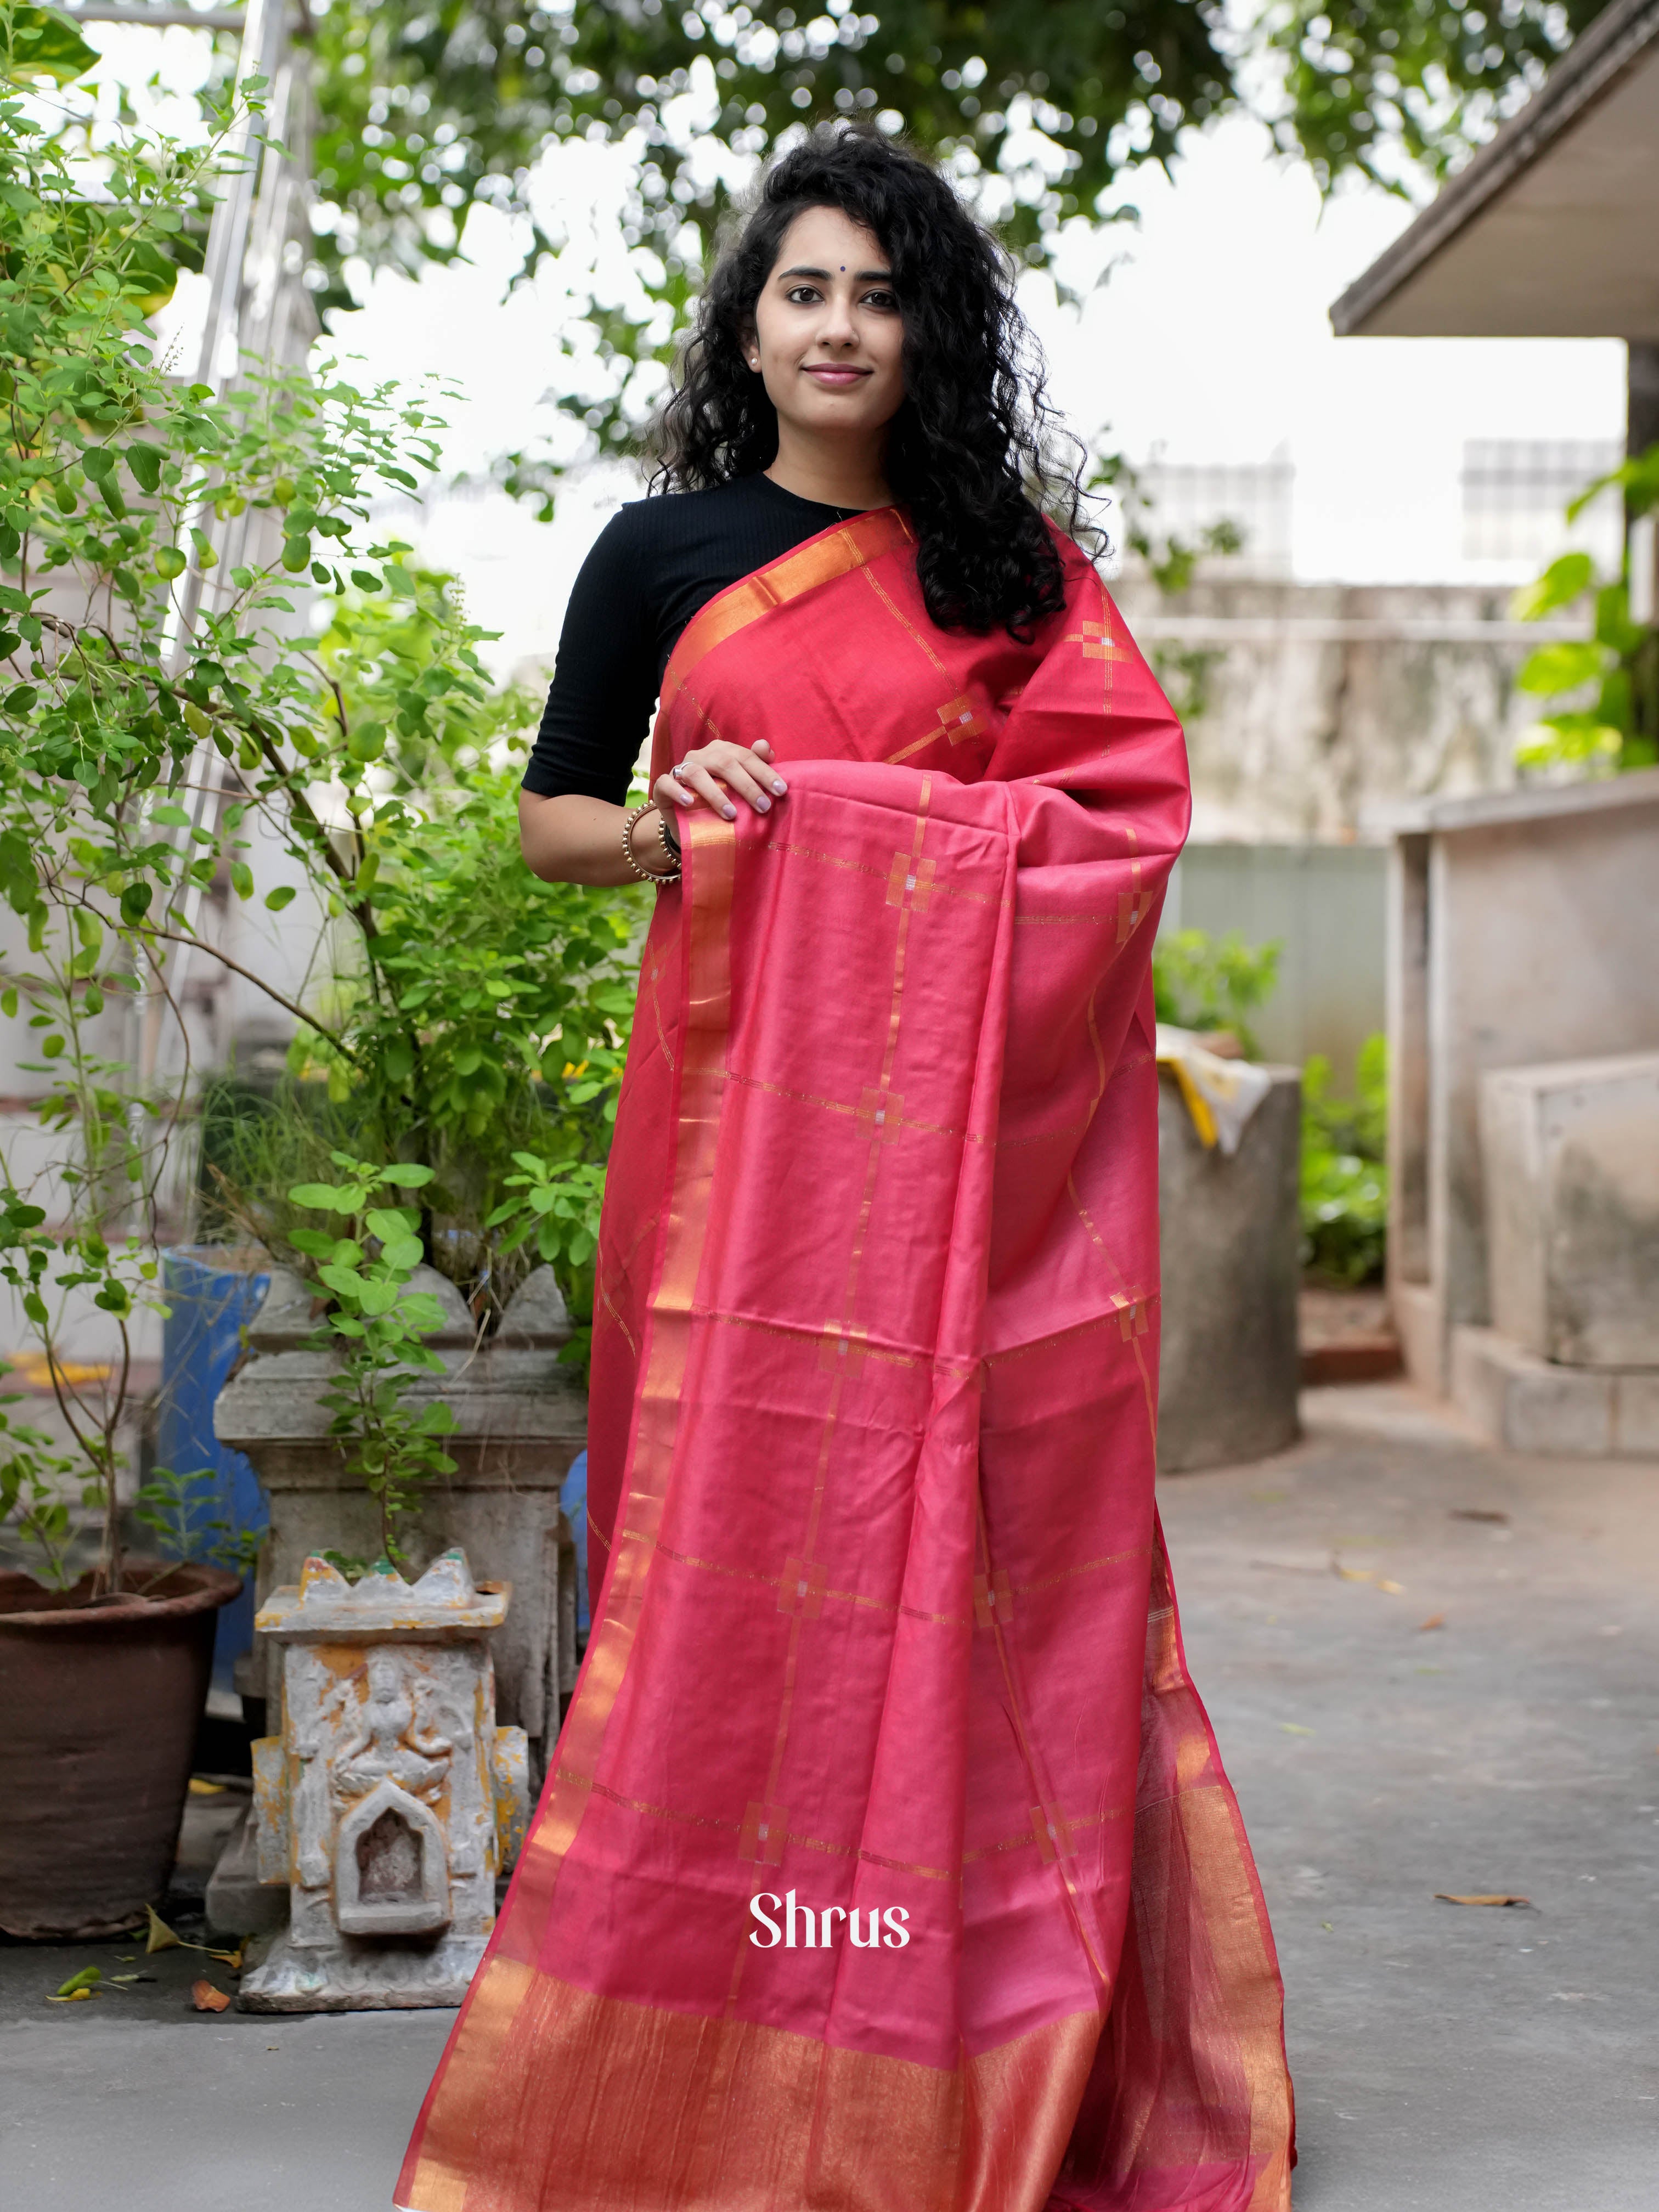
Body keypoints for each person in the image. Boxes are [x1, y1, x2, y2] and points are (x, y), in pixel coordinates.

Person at [397, 125, 1293, 2212]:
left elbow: (1122, 829)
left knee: (964, 1564)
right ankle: (711, 2047)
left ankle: (947, 2039)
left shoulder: (1011, 572)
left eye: (881, 295)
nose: (839, 327)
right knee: (714, 1555)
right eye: (804, 289)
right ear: (751, 318)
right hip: (722, 1168)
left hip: (961, 1192)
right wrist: (674, 818)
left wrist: (897, 826)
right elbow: (548, 819)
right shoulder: (660, 552)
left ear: (931, 331)